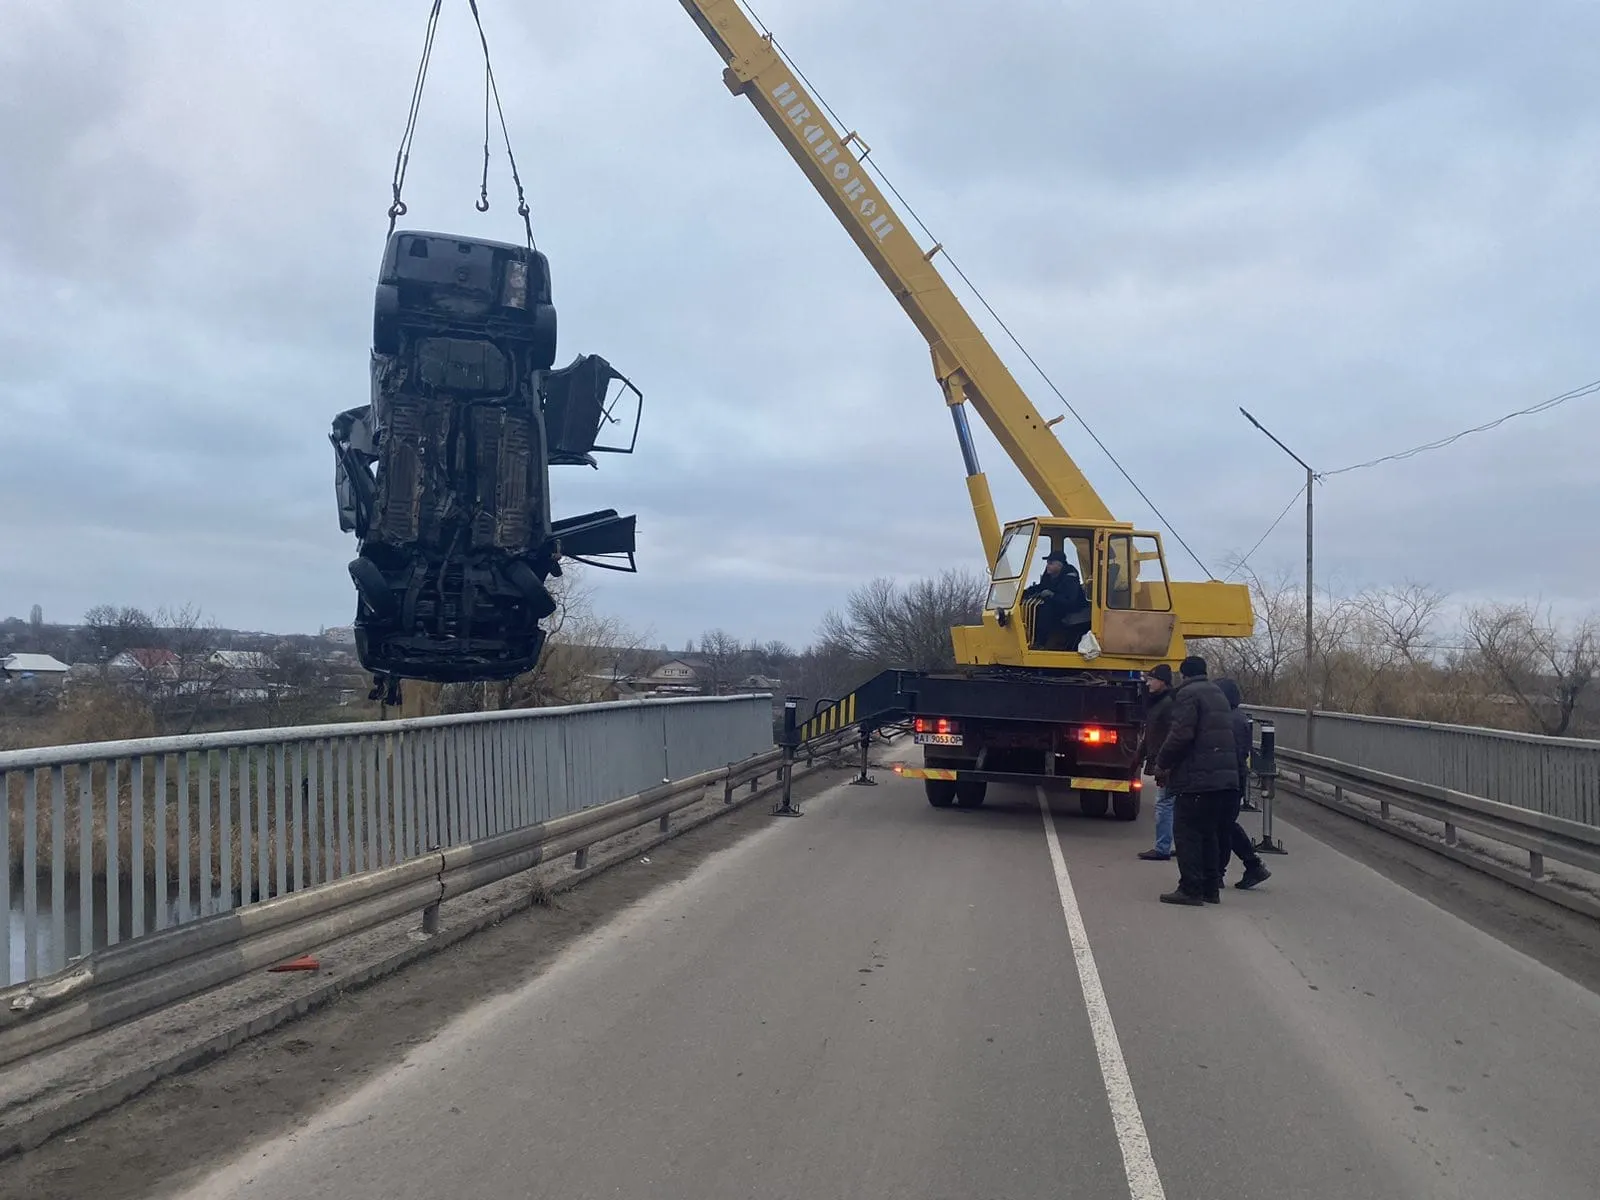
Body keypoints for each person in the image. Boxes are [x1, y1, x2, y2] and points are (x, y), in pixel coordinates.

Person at [1153, 654, 1239, 906]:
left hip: (1198, 777)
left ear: (1184, 675)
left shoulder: (1188, 694)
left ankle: (1190, 889)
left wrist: (1162, 763)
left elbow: (1181, 735)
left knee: (1187, 833)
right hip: (1223, 778)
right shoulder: (1217, 693)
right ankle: (1211, 888)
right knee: (1209, 833)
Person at [1216, 678, 1272, 890]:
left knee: (1223, 826)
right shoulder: (1237, 717)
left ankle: (1247, 866)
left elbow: (1231, 751)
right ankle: (1250, 865)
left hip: (1229, 778)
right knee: (1225, 825)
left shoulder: (1229, 719)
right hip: (1235, 777)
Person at [1135, 664, 1178, 861]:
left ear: (1162, 681)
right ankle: (1172, 845)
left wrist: (1164, 766)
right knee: (1170, 804)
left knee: (1164, 804)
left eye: (1151, 679)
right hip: (1164, 762)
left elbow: (1170, 738)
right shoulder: (1160, 703)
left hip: (1166, 764)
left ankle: (1162, 848)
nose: (1148, 683)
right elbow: (1150, 736)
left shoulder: (1167, 705)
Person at [1023, 551, 1091, 649]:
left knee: (1046, 609)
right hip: (1058, 604)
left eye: (1050, 563)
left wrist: (1052, 595)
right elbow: (1042, 586)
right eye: (1047, 563)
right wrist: (1025, 593)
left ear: (1059, 565)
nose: (1047, 566)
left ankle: (1041, 643)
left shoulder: (1070, 577)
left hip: (1074, 608)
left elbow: (1070, 601)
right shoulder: (1049, 574)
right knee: (1038, 607)